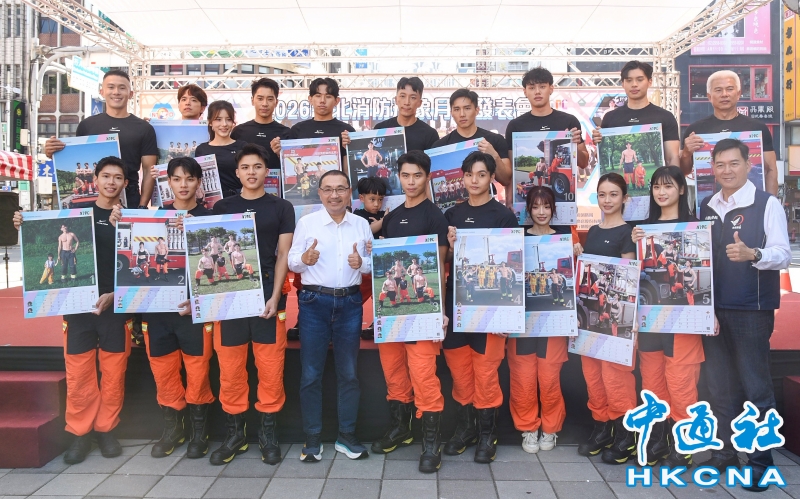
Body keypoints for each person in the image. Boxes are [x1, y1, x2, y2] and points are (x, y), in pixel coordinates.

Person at [14, 157, 133, 464]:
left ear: (125, 183)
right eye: (105, 176)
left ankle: (106, 429)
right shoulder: (77, 214)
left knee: (114, 373)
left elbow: (134, 269)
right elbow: (41, 230)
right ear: (95, 178)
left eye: (117, 177)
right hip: (77, 308)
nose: (111, 182)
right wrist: (23, 222)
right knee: (79, 374)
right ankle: (80, 433)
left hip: (114, 307)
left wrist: (114, 295)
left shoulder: (131, 217)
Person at [698, 139, 790, 491]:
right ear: (712, 167)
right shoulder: (707, 205)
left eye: (733, 163)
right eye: (720, 164)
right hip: (712, 310)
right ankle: (724, 453)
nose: (726, 170)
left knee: (757, 387)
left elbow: (783, 254)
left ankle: (761, 462)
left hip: (751, 309)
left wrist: (754, 254)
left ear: (748, 164)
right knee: (719, 386)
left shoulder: (766, 204)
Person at [209, 144, 295, 466]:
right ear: (237, 172)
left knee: (270, 369)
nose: (251, 172)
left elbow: (283, 254)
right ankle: (236, 434)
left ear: (266, 171)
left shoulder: (281, 207)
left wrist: (275, 296)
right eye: (245, 167)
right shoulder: (223, 207)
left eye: (257, 166)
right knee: (230, 369)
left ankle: (268, 435)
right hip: (229, 300)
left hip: (267, 299)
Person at [372, 150, 450, 474]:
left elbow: (440, 267)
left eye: (417, 175)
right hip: (391, 315)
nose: (411, 181)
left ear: (427, 177)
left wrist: (439, 309)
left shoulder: (435, 217)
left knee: (423, 375)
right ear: (399, 177)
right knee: (394, 371)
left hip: (424, 315)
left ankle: (431, 442)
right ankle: (400, 429)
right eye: (405, 175)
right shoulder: (391, 217)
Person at [287, 169, 372, 462]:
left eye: (340, 189)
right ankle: (312, 438)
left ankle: (346, 436)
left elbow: (373, 263)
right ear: (320, 193)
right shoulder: (307, 223)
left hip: (350, 303)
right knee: (311, 373)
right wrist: (303, 259)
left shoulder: (361, 225)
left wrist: (362, 264)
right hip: (314, 303)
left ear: (349, 193)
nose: (334, 195)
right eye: (328, 189)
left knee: (349, 373)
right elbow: (292, 261)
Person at [443, 151, 518, 463]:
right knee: (460, 371)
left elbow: (511, 269)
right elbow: (444, 260)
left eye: (482, 174)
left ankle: (488, 434)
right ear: (462, 177)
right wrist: (449, 246)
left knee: (486, 372)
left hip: (491, 313)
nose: (474, 180)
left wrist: (508, 315)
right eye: (469, 174)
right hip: (457, 306)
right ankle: (467, 429)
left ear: (492, 178)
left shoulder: (503, 217)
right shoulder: (451, 215)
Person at [143, 156, 216, 459]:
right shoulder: (152, 218)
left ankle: (200, 431)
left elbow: (217, 270)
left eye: (189, 178)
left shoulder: (211, 218)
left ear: (199, 182)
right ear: (168, 182)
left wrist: (199, 301)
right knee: (163, 370)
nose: (183, 185)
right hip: (158, 312)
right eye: (177, 179)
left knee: (197, 372)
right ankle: (173, 429)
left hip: (196, 311)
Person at [271, 78, 356, 339]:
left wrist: (350, 147)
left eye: (328, 96)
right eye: (317, 95)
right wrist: (278, 152)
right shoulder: (297, 130)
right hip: (303, 206)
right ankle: (305, 315)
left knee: (337, 256)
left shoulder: (345, 131)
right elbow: (287, 164)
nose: (322, 100)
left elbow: (349, 169)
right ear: (309, 99)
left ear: (336, 101)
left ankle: (339, 321)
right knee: (305, 258)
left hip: (336, 204)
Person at [509, 186, 579, 454]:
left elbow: (576, 280)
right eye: (536, 206)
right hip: (522, 324)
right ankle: (528, 428)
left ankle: (550, 428)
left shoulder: (563, 238)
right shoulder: (517, 237)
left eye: (546, 206)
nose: (541, 212)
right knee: (523, 379)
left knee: (549, 379)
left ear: (553, 209)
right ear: (528, 209)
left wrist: (578, 254)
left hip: (553, 324)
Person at [577, 173, 638, 464]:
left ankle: (626, 435)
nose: (607, 200)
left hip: (615, 317)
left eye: (614, 194)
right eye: (602, 194)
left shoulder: (629, 233)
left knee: (615, 377)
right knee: (593, 376)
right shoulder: (593, 231)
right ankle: (602, 428)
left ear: (625, 198)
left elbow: (628, 280)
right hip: (591, 318)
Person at [44, 70, 158, 209]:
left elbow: (148, 171)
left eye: (122, 88)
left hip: (130, 200)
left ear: (131, 94)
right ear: (102, 92)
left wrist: (142, 206)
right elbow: (74, 157)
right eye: (111, 87)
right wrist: (53, 152)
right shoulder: (87, 125)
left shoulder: (144, 128)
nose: (116, 92)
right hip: (95, 203)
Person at [680, 70, 778, 195]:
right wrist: (686, 153)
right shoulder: (695, 130)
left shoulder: (758, 128)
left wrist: (772, 202)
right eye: (718, 90)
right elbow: (683, 172)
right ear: (709, 96)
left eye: (729, 89)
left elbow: (771, 170)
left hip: (751, 200)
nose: (724, 94)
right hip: (710, 201)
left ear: (738, 94)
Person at [505, 67, 589, 186]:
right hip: (530, 198)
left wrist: (573, 146)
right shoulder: (515, 125)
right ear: (525, 92)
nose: (537, 92)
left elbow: (584, 163)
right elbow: (510, 171)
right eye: (532, 88)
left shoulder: (569, 121)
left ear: (551, 89)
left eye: (542, 87)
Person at [593, 61, 680, 169]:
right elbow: (601, 158)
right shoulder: (610, 117)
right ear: (623, 84)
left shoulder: (665, 117)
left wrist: (674, 179)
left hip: (657, 180)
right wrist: (599, 144)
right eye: (629, 80)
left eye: (639, 79)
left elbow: (672, 158)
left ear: (650, 82)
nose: (634, 84)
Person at [433, 89, 511, 188]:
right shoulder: (440, 146)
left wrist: (494, 155)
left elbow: (506, 180)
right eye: (457, 109)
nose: (462, 114)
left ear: (477, 110)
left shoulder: (495, 140)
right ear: (451, 112)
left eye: (467, 108)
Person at [353, 176, 389, 337]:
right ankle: (349, 324)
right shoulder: (358, 215)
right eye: (372, 199)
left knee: (380, 295)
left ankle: (378, 322)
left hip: (380, 264)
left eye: (380, 200)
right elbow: (367, 230)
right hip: (361, 267)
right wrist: (383, 220)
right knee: (356, 298)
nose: (376, 204)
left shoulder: (383, 214)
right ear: (361, 198)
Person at [231, 78, 289, 175]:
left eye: (270, 99)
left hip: (277, 184)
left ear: (276, 102)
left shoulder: (286, 133)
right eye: (260, 98)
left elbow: (293, 168)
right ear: (252, 100)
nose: (265, 104)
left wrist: (281, 154)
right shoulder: (239, 131)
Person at [372, 77, 440, 152]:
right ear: (396, 100)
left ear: (419, 103)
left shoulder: (430, 134)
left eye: (413, 98)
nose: (407, 102)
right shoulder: (380, 129)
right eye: (402, 96)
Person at [195, 101, 247, 197]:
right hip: (211, 201)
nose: (224, 124)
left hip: (238, 199)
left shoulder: (242, 147)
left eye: (228, 119)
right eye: (218, 119)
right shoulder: (201, 149)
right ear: (210, 122)